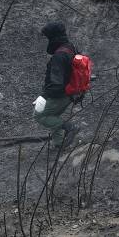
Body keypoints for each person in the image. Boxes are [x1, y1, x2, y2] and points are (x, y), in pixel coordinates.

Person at [34, 22, 81, 150]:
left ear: (52, 37)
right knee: (53, 116)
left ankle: (70, 127)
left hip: (62, 94)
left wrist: (43, 96)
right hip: (72, 92)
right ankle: (59, 144)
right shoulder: (70, 47)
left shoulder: (59, 56)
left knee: (39, 114)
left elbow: (56, 83)